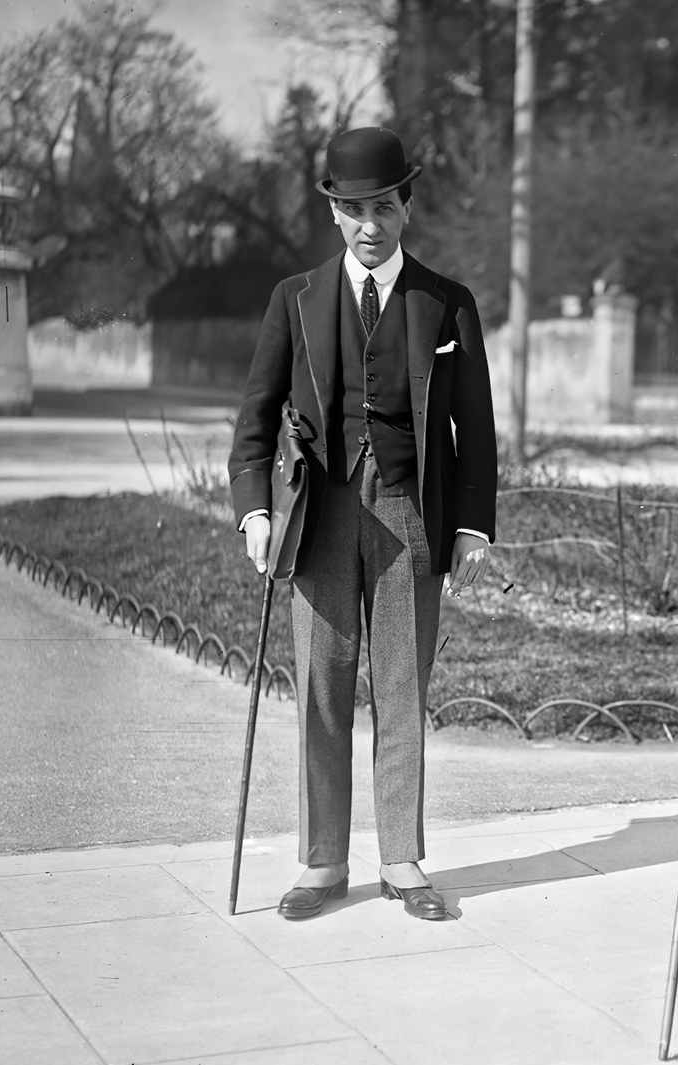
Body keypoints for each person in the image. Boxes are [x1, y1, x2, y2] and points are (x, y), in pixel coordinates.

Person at [228, 127, 498, 921]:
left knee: (403, 686)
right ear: (335, 215)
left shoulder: (447, 302)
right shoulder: (295, 298)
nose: (368, 224)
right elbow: (254, 418)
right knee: (320, 684)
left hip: (411, 508)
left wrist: (473, 525)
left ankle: (402, 859)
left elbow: (475, 429)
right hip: (319, 511)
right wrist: (254, 507)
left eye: (382, 206)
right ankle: (321, 862)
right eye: (352, 209)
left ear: (407, 207)